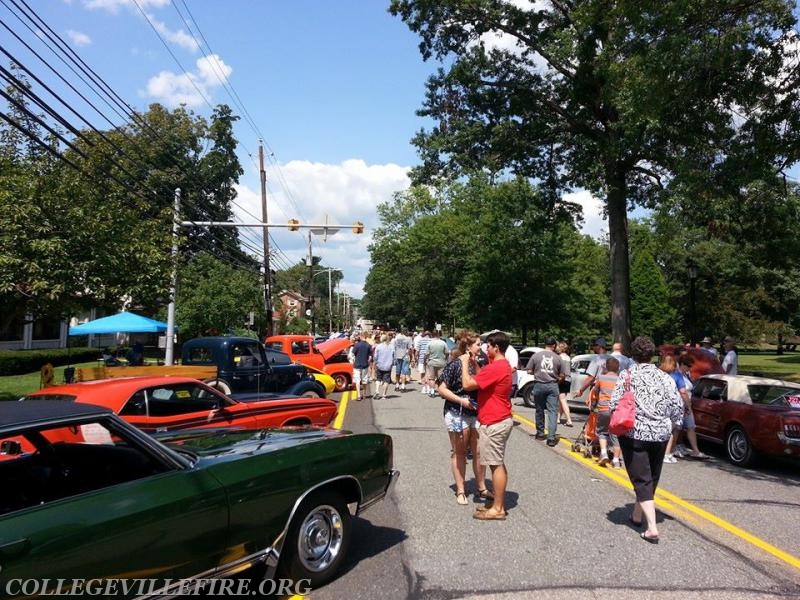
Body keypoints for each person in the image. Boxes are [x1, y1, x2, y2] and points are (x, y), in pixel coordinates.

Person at [610, 336, 684, 544]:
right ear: (652, 355)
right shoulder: (665, 377)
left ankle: (651, 527)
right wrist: (674, 425)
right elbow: (677, 406)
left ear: (633, 355)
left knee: (641, 477)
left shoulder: (627, 376)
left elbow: (614, 403)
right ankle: (637, 514)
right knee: (651, 474)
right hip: (660, 433)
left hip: (634, 433)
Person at [460, 331, 514, 521]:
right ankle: (497, 504)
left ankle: (498, 508)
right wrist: (475, 363)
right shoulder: (501, 365)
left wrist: (465, 363)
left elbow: (467, 384)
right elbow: (485, 377)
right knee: (495, 462)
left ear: (496, 347)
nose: (486, 349)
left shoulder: (497, 367)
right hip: (500, 418)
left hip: (495, 421)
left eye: (488, 346)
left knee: (495, 464)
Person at [435, 332, 491, 506]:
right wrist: (461, 400)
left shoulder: (480, 363)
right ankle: (461, 490)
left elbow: (485, 384)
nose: (481, 347)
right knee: (459, 452)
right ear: (468, 347)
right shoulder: (455, 365)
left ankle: (481, 487)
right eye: (477, 344)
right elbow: (441, 388)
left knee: (480, 452)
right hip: (457, 411)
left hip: (477, 412)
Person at [527, 336, 564, 446]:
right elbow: (562, 375)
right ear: (554, 346)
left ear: (545, 344)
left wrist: (537, 373)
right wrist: (557, 379)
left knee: (539, 410)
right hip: (552, 385)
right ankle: (551, 438)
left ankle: (540, 433)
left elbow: (529, 370)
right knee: (552, 411)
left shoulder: (536, 356)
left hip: (539, 384)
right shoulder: (558, 358)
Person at [671, 353, 709, 460]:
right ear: (682, 364)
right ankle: (672, 449)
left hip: (687, 405)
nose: (689, 368)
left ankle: (695, 451)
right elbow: (682, 392)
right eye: (688, 365)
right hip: (680, 404)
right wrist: (688, 405)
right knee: (676, 428)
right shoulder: (676, 374)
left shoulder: (685, 375)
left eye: (690, 366)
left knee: (690, 427)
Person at [590, 356, 621, 468]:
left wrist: (593, 405)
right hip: (616, 411)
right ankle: (616, 460)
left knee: (602, 432)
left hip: (603, 409)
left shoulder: (601, 378)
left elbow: (595, 392)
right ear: (618, 368)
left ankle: (603, 453)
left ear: (606, 367)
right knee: (616, 435)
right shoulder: (620, 379)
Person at [426, 331, 449, 398]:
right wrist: (445, 359)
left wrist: (426, 360)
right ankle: (442, 392)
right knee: (441, 378)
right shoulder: (443, 343)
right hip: (441, 362)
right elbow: (447, 352)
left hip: (432, 362)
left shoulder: (430, 343)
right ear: (439, 335)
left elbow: (427, 353)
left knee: (432, 378)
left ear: (433, 335)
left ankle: (432, 392)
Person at [556, 341, 573, 427]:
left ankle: (569, 419)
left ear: (561, 348)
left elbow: (558, 370)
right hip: (568, 379)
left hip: (562, 379)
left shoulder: (559, 357)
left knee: (562, 400)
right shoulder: (568, 357)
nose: (557, 348)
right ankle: (558, 417)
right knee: (561, 399)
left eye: (558, 347)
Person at [372, 334, 395, 400]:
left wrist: (375, 362)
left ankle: (377, 390)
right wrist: (392, 363)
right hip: (388, 366)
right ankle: (384, 395)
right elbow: (394, 356)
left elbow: (375, 356)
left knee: (378, 379)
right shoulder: (391, 346)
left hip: (380, 365)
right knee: (386, 381)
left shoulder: (378, 346)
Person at [350, 333, 372, 400]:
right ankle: (364, 394)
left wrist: (353, 361)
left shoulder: (357, 345)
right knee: (364, 380)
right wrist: (368, 361)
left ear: (361, 337)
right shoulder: (368, 345)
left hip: (357, 365)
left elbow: (352, 354)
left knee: (357, 380)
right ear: (366, 337)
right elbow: (370, 357)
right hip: (365, 365)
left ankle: (359, 395)